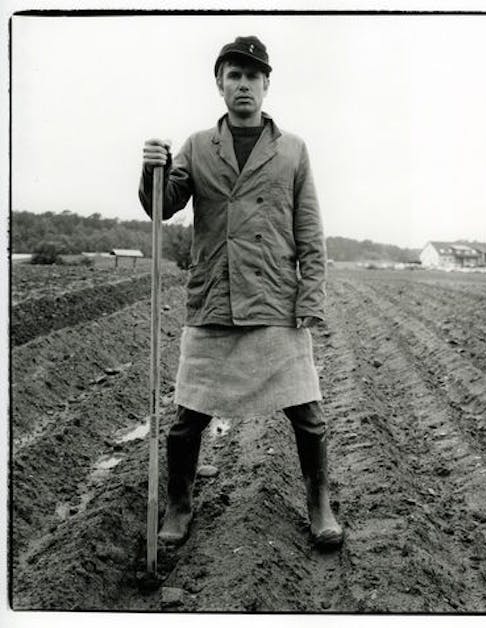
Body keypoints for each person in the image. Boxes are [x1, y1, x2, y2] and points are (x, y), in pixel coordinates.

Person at [139, 36, 344, 549]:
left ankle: (319, 503)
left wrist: (310, 297)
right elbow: (162, 206)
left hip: (275, 300)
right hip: (212, 299)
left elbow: (309, 231)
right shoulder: (196, 146)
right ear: (220, 84)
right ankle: (179, 505)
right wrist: (151, 167)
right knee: (188, 420)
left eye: (253, 76)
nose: (244, 85)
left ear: (267, 84)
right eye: (234, 76)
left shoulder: (293, 149)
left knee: (308, 415)